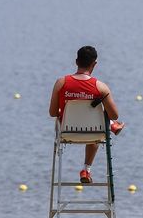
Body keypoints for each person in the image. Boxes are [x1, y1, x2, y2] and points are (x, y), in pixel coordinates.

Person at [48, 45, 123, 184]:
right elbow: (114, 115)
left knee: (93, 122)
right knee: (98, 123)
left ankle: (110, 126)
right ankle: (86, 169)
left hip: (67, 131)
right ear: (94, 64)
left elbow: (52, 113)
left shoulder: (61, 83)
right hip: (94, 133)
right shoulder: (101, 87)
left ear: (76, 61)